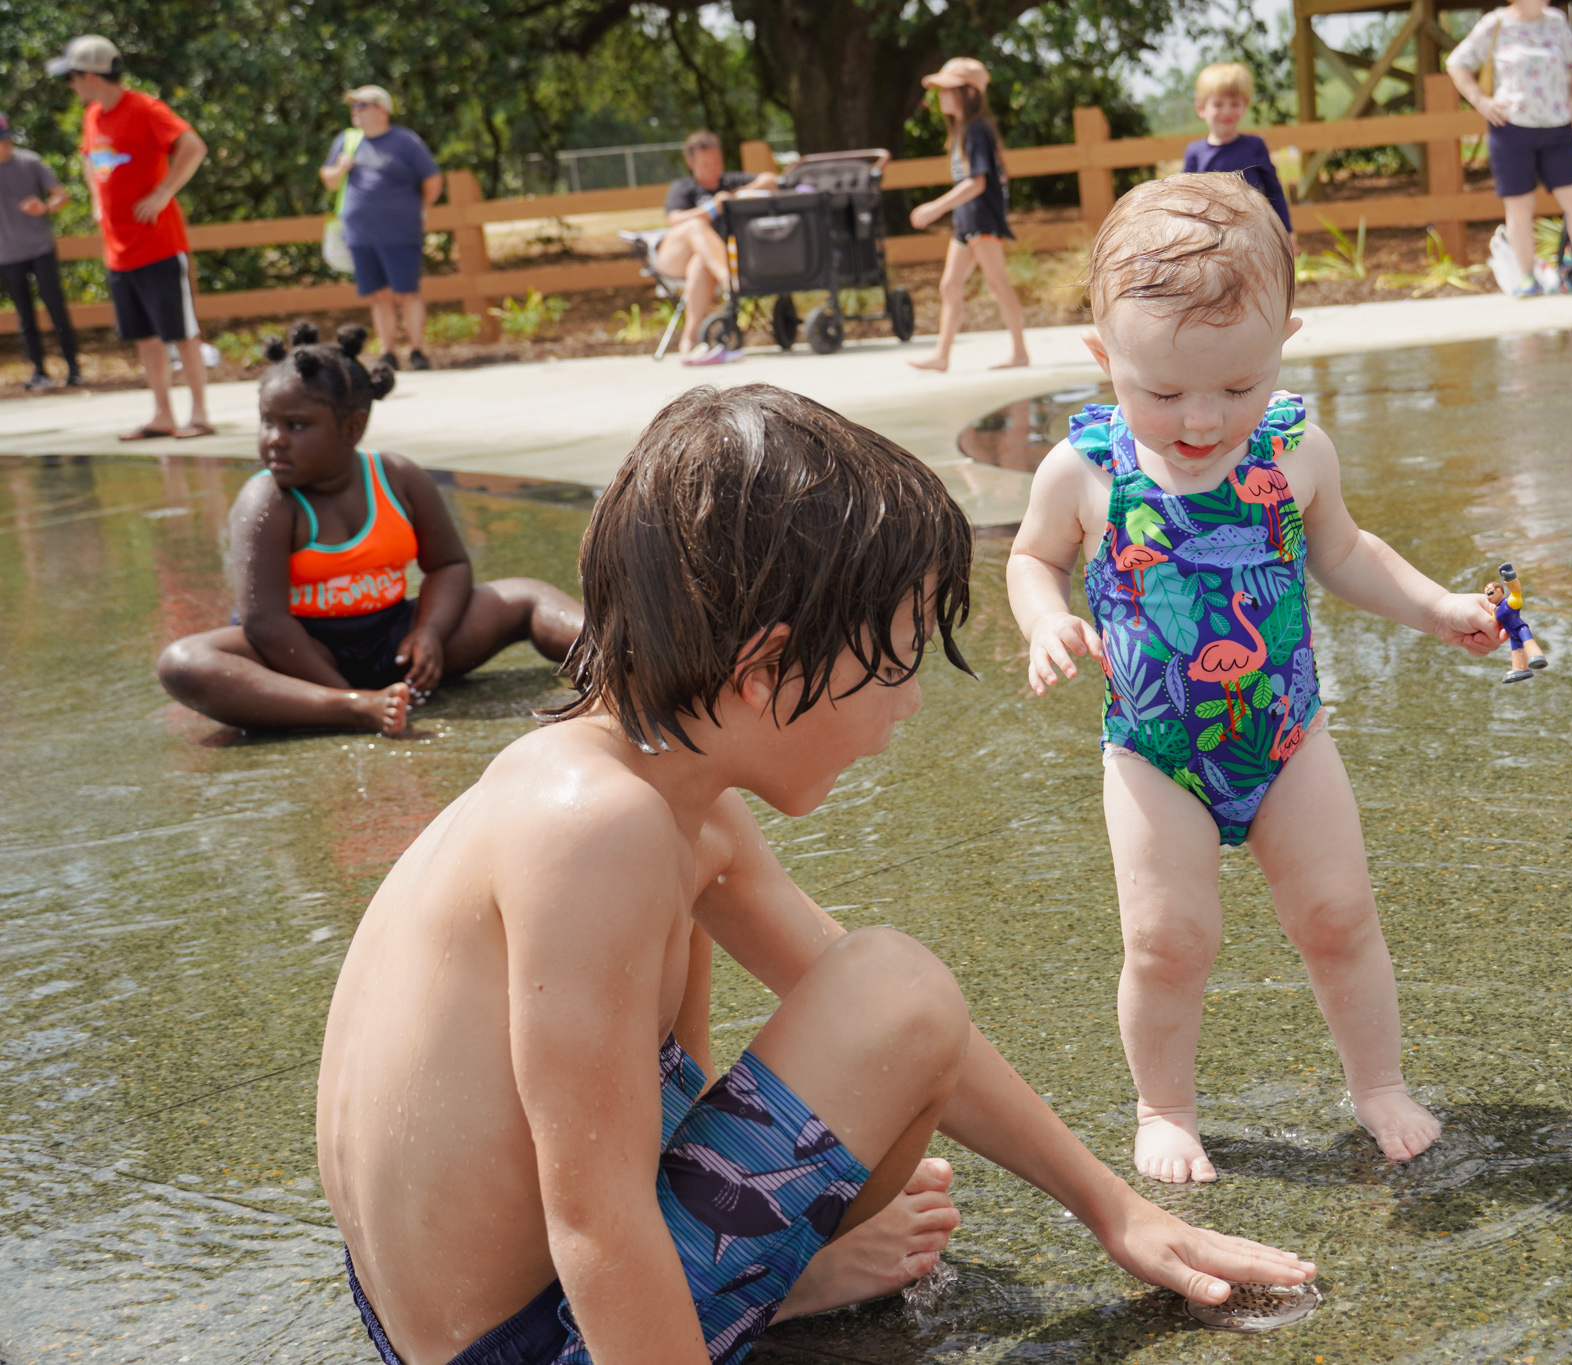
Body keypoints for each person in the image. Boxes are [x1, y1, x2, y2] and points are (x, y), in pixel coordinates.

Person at [315, 382, 1315, 1365]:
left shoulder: (635, 786)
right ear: (765, 669)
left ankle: (769, 1282)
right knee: (899, 989)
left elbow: (878, 1016)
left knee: (864, 994)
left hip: (452, 1316)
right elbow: (597, 1221)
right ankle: (748, 1292)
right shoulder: (597, 831)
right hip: (534, 1340)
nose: (908, 703)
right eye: (898, 660)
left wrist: (1116, 1210)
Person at [1007, 174, 1501, 1183]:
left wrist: (1433, 605)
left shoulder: (1293, 450)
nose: (1200, 418)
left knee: (1338, 916)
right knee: (1165, 938)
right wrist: (1045, 618)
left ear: (1283, 345)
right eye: (1163, 392)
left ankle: (1379, 1085)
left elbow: (1344, 551)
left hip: (1285, 736)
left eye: (1237, 387)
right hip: (1153, 750)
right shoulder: (1086, 469)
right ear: (1103, 359)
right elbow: (1030, 557)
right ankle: (1164, 1107)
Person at [155, 323, 584, 738]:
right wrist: (349, 695)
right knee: (184, 661)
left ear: (352, 428)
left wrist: (429, 633)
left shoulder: (398, 478)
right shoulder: (267, 501)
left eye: (296, 425)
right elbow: (264, 623)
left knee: (527, 597)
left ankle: (615, 663)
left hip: (396, 643)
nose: (275, 439)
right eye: (267, 422)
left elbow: (449, 565)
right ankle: (347, 709)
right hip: (295, 657)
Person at [47, 34, 212, 440]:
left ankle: (200, 416)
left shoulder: (145, 109)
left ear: (90, 76)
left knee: (182, 332)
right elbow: (90, 158)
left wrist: (163, 192)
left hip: (158, 244)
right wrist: (96, 201)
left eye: (72, 77)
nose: (70, 86)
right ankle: (162, 415)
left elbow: (193, 146)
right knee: (145, 337)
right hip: (118, 250)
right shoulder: (93, 116)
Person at [1446, 0, 1572, 296]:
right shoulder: (1495, 23)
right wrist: (1480, 101)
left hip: (1557, 127)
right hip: (1511, 127)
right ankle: (1526, 278)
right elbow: (1457, 63)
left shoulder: (1555, 21)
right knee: (1519, 206)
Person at [908, 57, 1031, 372]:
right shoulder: (963, 131)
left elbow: (977, 182)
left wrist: (936, 207)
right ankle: (941, 355)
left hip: (981, 220)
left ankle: (1019, 352)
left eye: (949, 89)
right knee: (950, 286)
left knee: (997, 282)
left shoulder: (977, 131)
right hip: (967, 221)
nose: (941, 95)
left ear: (970, 92)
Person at [319, 86, 443, 373]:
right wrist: (341, 168)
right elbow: (329, 180)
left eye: (361, 105)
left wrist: (418, 209)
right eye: (353, 106)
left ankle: (417, 351)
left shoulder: (405, 141)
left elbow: (432, 180)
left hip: (400, 231)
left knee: (408, 292)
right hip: (360, 234)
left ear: (381, 110)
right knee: (378, 294)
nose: (355, 112)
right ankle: (388, 353)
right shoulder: (347, 141)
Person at [652, 130, 777, 367]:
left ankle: (689, 343)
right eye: (707, 164)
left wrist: (733, 196)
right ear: (691, 163)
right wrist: (712, 208)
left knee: (700, 263)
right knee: (695, 226)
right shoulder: (683, 187)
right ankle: (731, 282)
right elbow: (674, 219)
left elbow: (770, 179)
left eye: (718, 162)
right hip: (672, 257)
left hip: (706, 260)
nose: (714, 169)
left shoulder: (728, 183)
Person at [0, 111, 82, 392]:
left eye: (6, 139)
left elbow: (61, 195)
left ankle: (73, 368)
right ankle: (39, 371)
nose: (4, 145)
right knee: (25, 315)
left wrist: (45, 206)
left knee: (56, 307)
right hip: (7, 253)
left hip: (40, 248)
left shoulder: (30, 162)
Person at [1182, 63, 1295, 245]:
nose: (1227, 111)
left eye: (1234, 104)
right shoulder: (1195, 153)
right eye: (1218, 104)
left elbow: (1274, 191)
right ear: (1201, 108)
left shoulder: (1255, 146)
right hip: (1211, 239)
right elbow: (1186, 200)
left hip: (1255, 236)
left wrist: (1286, 231)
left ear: (1245, 106)